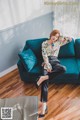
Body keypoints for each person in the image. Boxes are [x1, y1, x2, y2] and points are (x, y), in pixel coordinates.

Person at [35, 29, 72, 118]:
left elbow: (70, 39)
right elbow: (44, 55)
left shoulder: (59, 42)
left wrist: (61, 37)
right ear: (51, 34)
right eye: (54, 35)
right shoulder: (44, 43)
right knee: (45, 83)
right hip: (46, 61)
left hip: (55, 61)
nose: (55, 38)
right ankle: (44, 107)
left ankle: (43, 77)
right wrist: (47, 65)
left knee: (63, 69)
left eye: (57, 37)